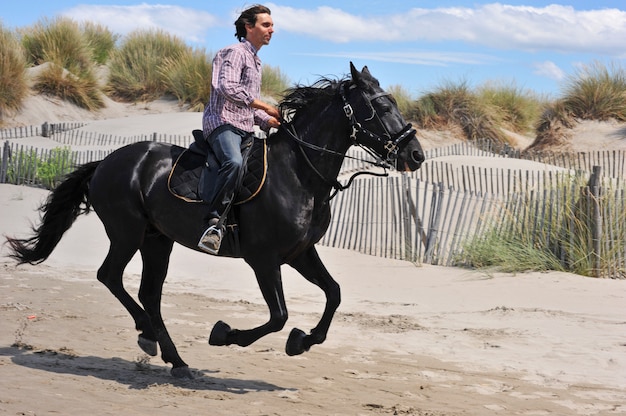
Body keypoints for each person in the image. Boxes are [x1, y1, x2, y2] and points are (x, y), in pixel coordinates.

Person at [198, 4, 281, 255]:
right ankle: (213, 224)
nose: (272, 30)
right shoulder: (233, 52)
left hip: (245, 128)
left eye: (272, 25)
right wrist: (264, 105)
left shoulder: (257, 62)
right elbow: (227, 87)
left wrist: (268, 121)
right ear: (249, 27)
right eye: (266, 25)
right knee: (233, 162)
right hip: (222, 123)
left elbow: (249, 109)